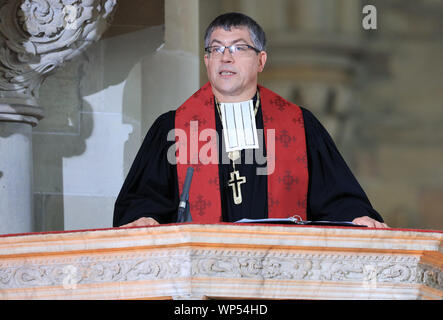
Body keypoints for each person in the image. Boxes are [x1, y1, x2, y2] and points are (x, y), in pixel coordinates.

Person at [113, 12, 387, 229]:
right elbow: (143, 200)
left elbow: (336, 196)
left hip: (280, 271)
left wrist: (355, 217)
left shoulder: (300, 126)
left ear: (261, 60)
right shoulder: (172, 128)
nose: (226, 58)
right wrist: (145, 217)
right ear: (207, 61)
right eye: (216, 49)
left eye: (238, 48)